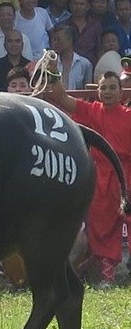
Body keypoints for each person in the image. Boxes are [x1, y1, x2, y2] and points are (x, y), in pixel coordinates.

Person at [48, 70, 131, 287]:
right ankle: (107, 278)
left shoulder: (129, 116)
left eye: (112, 87)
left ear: (121, 92)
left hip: (126, 174)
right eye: (103, 87)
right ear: (98, 91)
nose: (108, 92)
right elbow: (62, 98)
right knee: (102, 226)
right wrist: (52, 71)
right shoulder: (92, 110)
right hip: (101, 176)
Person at [59, 0, 102, 66]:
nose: (78, 7)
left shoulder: (95, 26)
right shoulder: (62, 26)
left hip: (90, 68)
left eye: (81, 4)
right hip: (68, 68)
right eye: (75, 3)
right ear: (70, 5)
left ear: (87, 6)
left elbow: (99, 50)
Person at [52, 24, 93, 89]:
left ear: (70, 40)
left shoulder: (85, 64)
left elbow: (88, 91)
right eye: (54, 39)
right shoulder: (51, 63)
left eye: (58, 39)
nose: (55, 43)